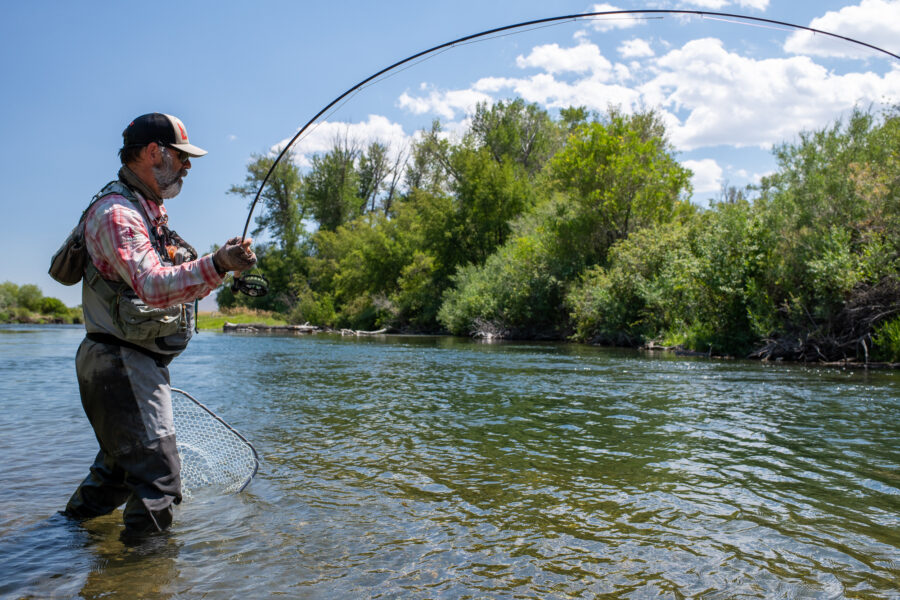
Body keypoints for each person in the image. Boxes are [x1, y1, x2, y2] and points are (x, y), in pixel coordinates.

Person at [63, 113, 256, 537]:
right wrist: (218, 263)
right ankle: (145, 578)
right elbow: (151, 286)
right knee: (160, 480)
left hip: (127, 362)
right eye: (181, 157)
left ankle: (58, 540)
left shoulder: (147, 211)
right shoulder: (118, 214)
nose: (188, 167)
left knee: (115, 475)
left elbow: (170, 282)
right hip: (121, 363)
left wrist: (219, 266)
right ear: (154, 152)